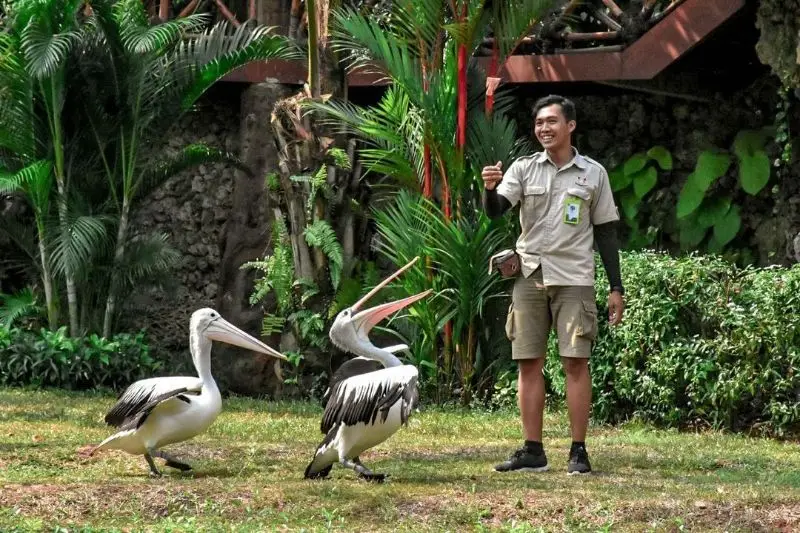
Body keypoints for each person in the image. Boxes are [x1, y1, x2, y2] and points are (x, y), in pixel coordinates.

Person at [482, 94, 624, 475]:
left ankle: (578, 450)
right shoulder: (524, 169)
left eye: (552, 121)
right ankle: (533, 449)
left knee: (575, 363)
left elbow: (607, 232)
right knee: (528, 362)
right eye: (539, 122)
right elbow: (497, 210)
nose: (544, 128)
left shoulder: (593, 173)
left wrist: (616, 287)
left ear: (570, 126)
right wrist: (489, 189)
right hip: (529, 274)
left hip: (574, 278)